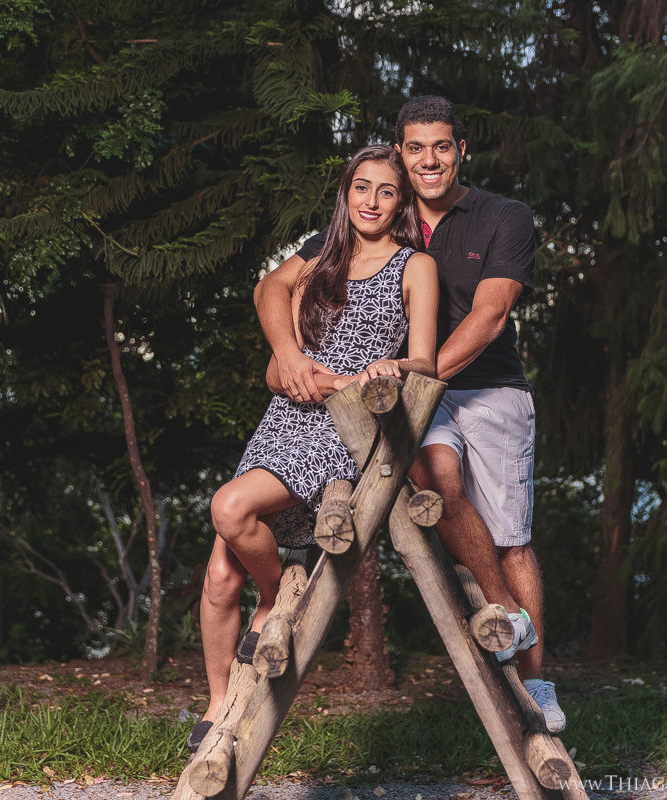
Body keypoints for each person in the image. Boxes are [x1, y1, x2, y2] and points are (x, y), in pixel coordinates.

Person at [256, 96, 565, 734]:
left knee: (512, 538)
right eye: (416, 148)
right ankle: (506, 612)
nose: (430, 160)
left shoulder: (503, 217)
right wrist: (290, 355)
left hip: (490, 388)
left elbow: (490, 316)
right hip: (404, 394)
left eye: (442, 146)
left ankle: (539, 681)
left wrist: (418, 372)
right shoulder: (381, 217)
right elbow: (273, 285)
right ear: (400, 153)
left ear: (460, 151)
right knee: (435, 478)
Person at [189, 145, 438, 753]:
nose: (371, 201)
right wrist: (296, 360)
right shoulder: (321, 257)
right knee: (221, 571)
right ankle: (218, 701)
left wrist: (387, 367)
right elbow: (273, 335)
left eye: (386, 190)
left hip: (344, 428)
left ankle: (275, 595)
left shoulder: (414, 266)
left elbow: (426, 362)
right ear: (345, 193)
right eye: (361, 187)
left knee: (230, 510)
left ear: (402, 200)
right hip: (286, 419)